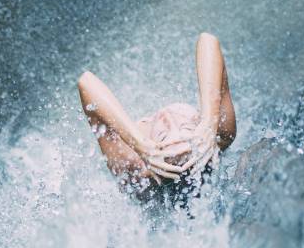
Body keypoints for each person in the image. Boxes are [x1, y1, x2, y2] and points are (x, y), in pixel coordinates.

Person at [77, 32, 236, 191]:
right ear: (201, 130)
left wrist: (139, 144)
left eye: (163, 135)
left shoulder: (133, 168)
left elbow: (86, 81)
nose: (168, 118)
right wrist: (209, 121)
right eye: (185, 128)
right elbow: (208, 40)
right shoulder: (219, 134)